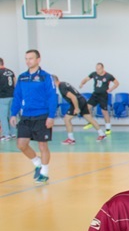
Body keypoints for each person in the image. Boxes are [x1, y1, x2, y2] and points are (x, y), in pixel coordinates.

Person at [9, 49, 55, 184]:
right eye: (26, 59)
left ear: (38, 60)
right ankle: (37, 163)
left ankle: (44, 173)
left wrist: (51, 116)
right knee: (21, 144)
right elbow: (17, 96)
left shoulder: (46, 77)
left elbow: (52, 96)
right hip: (26, 116)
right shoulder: (22, 77)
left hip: (42, 115)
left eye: (31, 58)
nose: (28, 61)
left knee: (42, 146)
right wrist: (13, 113)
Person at [53, 75, 105, 144]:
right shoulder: (63, 83)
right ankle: (101, 134)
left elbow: (73, 97)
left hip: (77, 102)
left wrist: (76, 108)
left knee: (66, 119)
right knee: (89, 118)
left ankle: (71, 139)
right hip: (81, 100)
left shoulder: (61, 86)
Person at [79, 62, 118, 135]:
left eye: (99, 69)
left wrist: (111, 89)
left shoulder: (108, 76)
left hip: (103, 95)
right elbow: (86, 79)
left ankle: (108, 128)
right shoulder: (94, 74)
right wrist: (82, 83)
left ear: (102, 68)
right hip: (95, 94)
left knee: (104, 112)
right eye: (96, 69)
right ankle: (90, 122)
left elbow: (117, 83)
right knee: (87, 107)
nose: (97, 71)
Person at [0, 58, 15, 141]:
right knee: (11, 115)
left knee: (3, 117)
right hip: (12, 95)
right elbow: (15, 83)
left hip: (2, 97)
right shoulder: (10, 72)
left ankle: (6, 134)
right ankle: (13, 133)